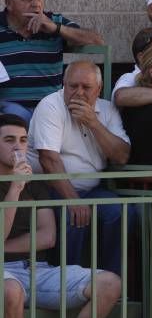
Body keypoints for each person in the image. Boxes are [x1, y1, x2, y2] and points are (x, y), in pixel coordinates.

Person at [0, 114, 121, 318]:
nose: (18, 147)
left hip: (37, 268)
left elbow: (47, 236)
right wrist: (15, 188)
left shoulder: (36, 181)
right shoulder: (21, 182)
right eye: (8, 141)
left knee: (110, 283)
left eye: (22, 140)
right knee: (10, 289)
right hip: (5, 274)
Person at [28, 61, 130, 275]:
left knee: (122, 212)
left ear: (99, 89)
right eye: (73, 86)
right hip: (49, 188)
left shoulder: (107, 109)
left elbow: (121, 156)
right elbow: (48, 160)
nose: (78, 93)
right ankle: (67, 286)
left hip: (92, 189)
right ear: (63, 84)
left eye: (86, 88)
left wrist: (93, 122)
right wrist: (73, 200)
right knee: (72, 215)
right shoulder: (51, 105)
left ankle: (112, 283)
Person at [0, 0, 102, 121]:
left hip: (50, 108)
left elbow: (97, 41)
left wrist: (56, 28)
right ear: (8, 3)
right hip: (9, 110)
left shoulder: (53, 21)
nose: (36, 4)